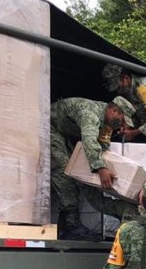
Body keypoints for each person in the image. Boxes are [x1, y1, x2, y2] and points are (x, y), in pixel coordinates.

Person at [48, 97, 127, 241]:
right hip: (49, 128)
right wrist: (101, 167)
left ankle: (63, 225)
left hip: (64, 135)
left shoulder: (106, 124)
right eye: (122, 120)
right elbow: (89, 140)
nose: (123, 125)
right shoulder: (90, 113)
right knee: (64, 174)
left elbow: (102, 146)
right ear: (114, 110)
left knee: (76, 173)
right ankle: (72, 226)